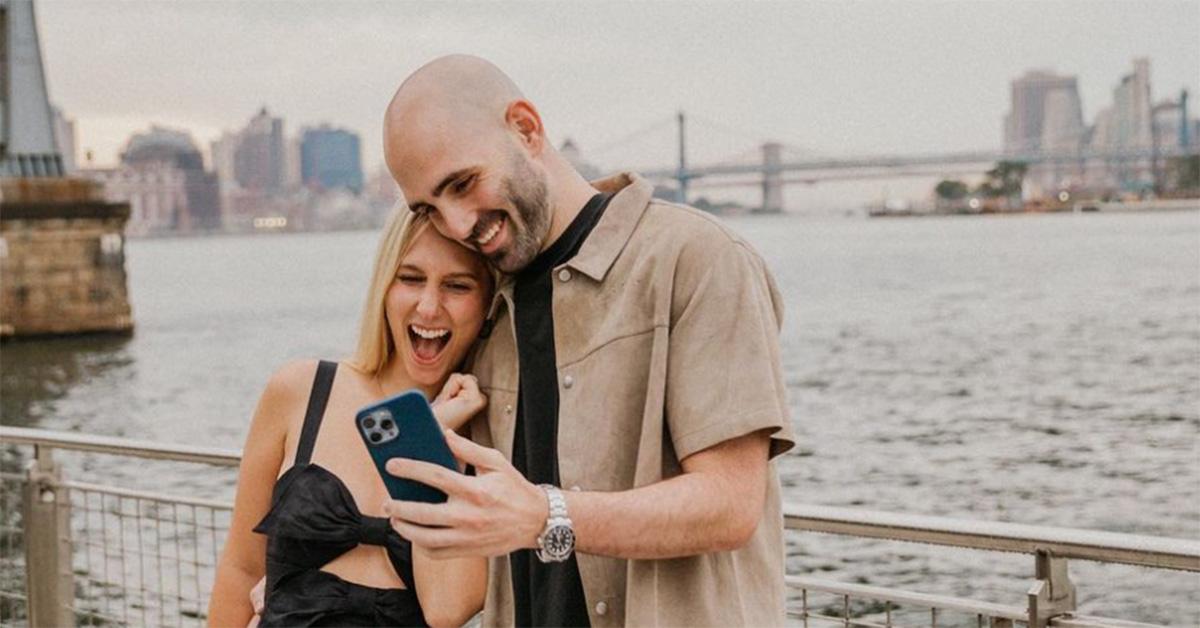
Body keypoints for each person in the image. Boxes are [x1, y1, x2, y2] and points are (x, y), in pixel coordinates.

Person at [380, 55, 797, 627]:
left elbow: (730, 504)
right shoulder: (485, 307)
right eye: (429, 207)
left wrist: (544, 516)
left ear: (526, 128)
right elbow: (450, 602)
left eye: (462, 183)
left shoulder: (697, 258)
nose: (455, 224)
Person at [209, 206, 491, 627]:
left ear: (487, 304)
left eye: (457, 285)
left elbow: (448, 608)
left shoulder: (483, 436)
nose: (429, 307)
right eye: (410, 278)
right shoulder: (301, 391)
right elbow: (241, 570)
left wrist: (431, 440)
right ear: (384, 286)